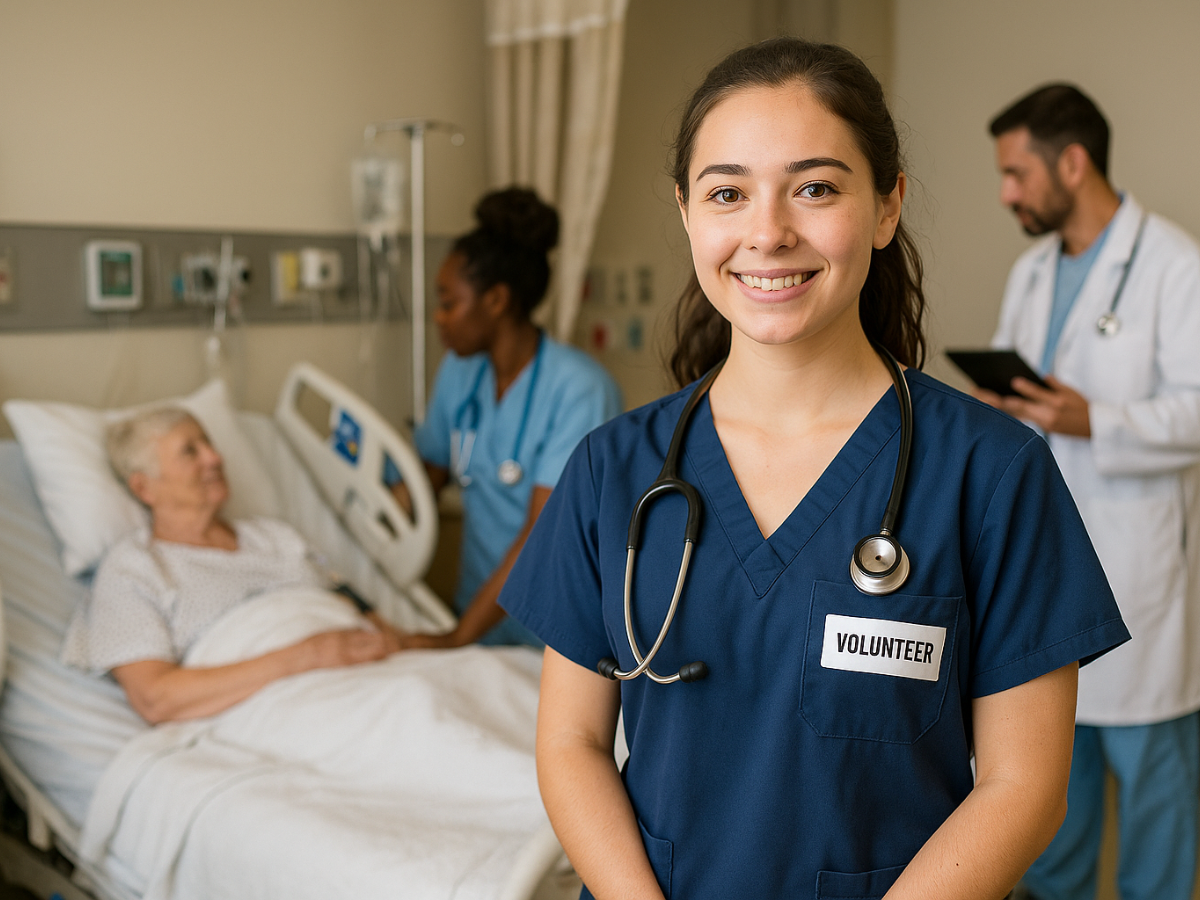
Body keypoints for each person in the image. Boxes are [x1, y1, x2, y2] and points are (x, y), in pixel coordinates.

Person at [498, 38, 1130, 900]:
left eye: (816, 188)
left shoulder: (993, 473)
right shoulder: (613, 471)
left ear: (885, 206)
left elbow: (1024, 788)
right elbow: (571, 745)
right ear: (687, 213)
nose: (767, 232)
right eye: (727, 193)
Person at [981, 84, 1200, 900]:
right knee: (1049, 796)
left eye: (1016, 173)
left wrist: (1093, 418)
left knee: (1155, 806)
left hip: (1142, 573)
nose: (1005, 193)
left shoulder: (1175, 266)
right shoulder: (1032, 270)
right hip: (1048, 558)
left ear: (1073, 163)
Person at [61, 407, 400, 723]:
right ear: (143, 487)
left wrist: (442, 641)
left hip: (379, 675)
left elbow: (364, 616)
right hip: (290, 708)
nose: (215, 457)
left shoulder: (276, 536)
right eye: (190, 451)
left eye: (208, 442)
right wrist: (307, 657)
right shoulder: (134, 568)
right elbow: (155, 698)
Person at [396, 187, 621, 649]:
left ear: (496, 300)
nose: (438, 318)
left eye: (448, 302)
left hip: (556, 636)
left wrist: (455, 638)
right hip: (477, 621)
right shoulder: (460, 372)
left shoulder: (579, 390)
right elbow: (431, 473)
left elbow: (543, 539)